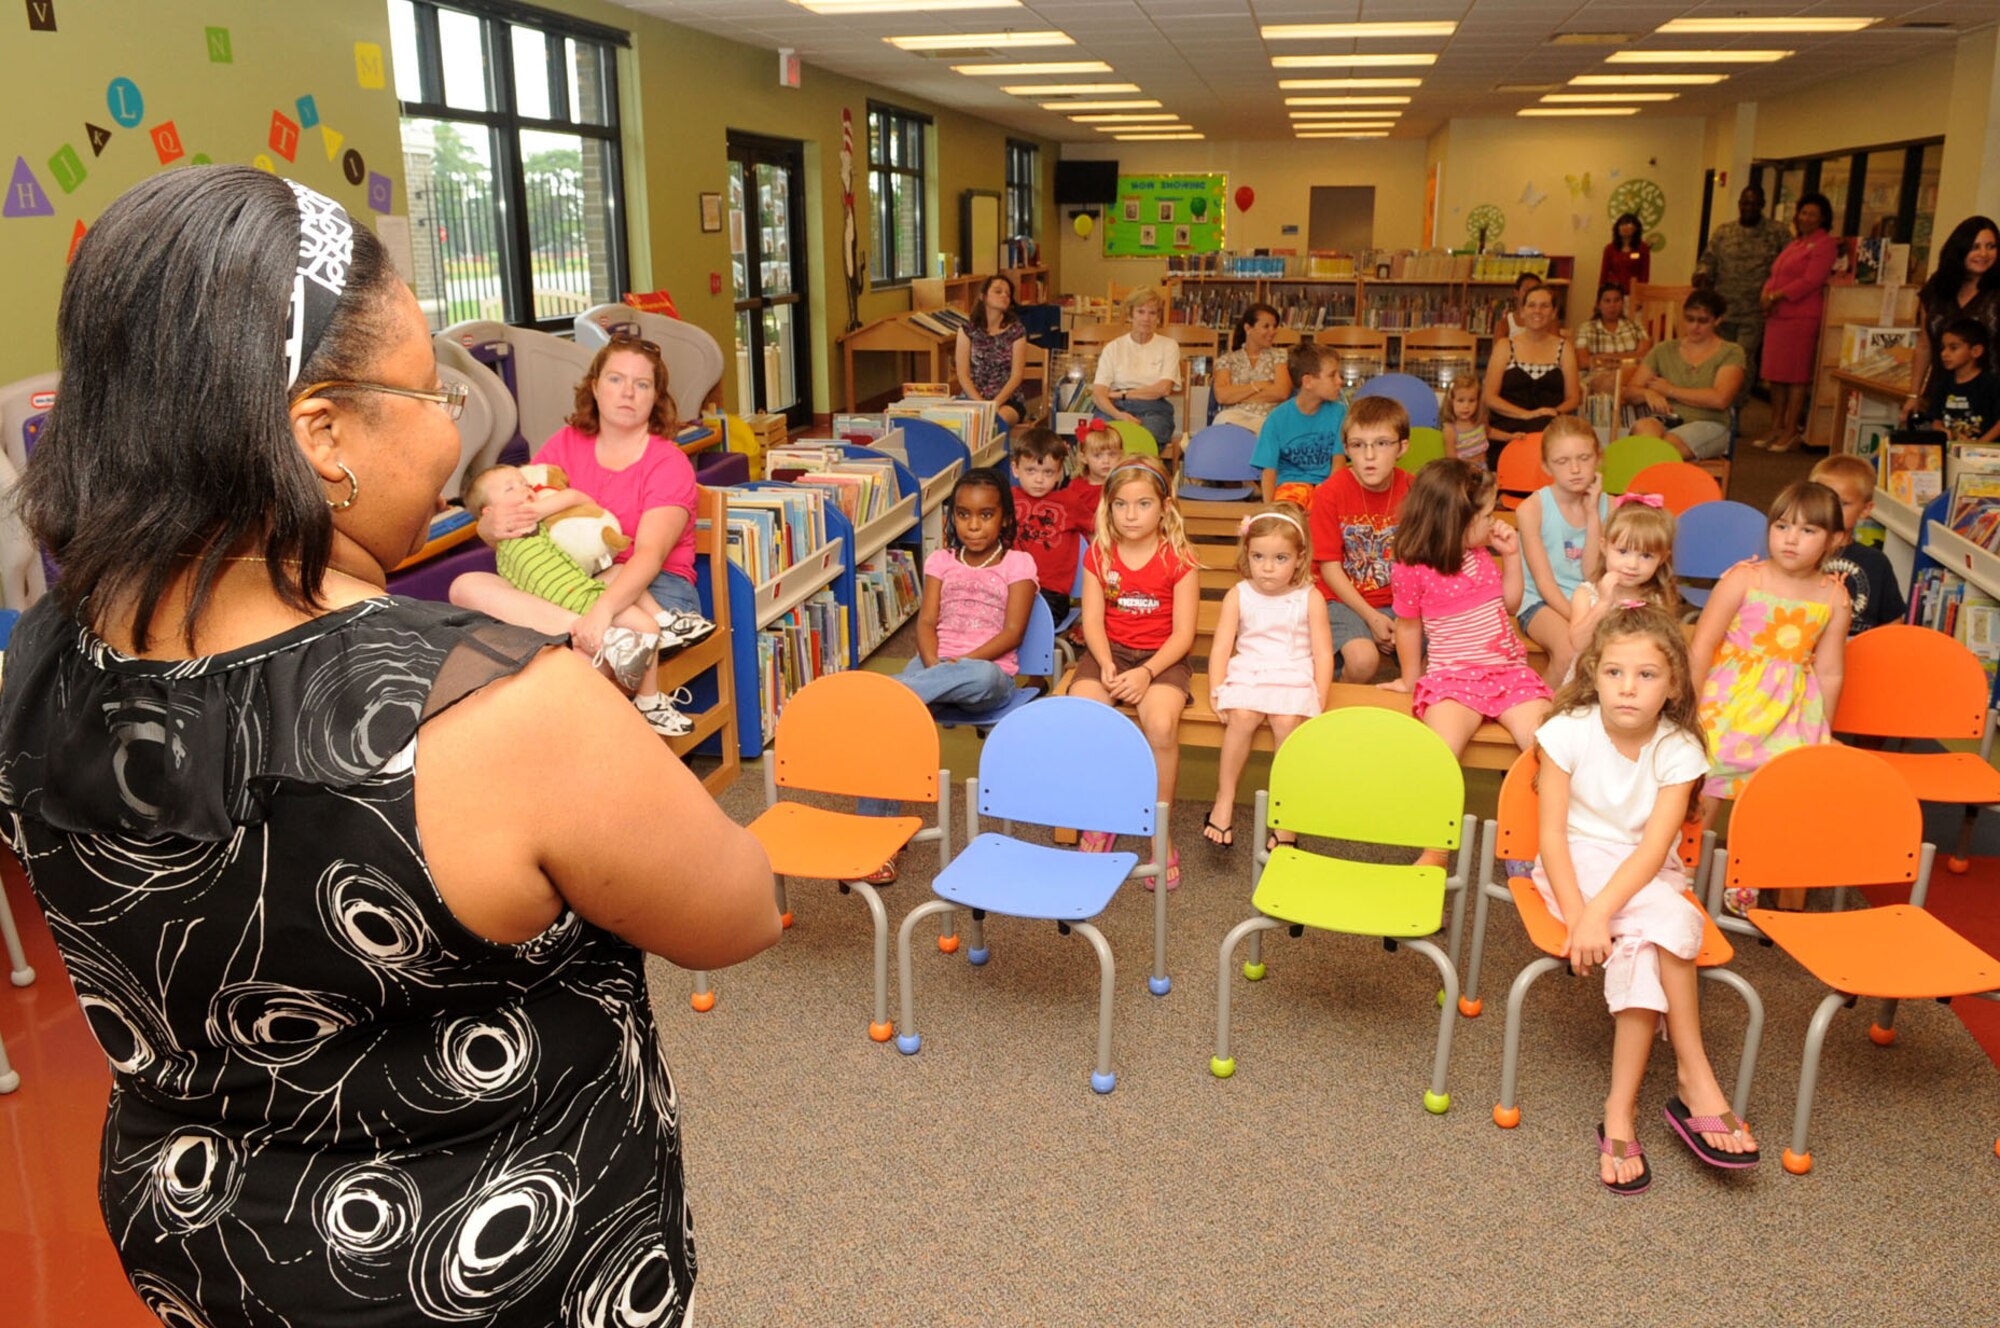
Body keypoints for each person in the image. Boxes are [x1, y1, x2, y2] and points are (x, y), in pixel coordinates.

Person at [0, 166, 780, 1327]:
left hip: (208, 1254)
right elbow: (740, 910)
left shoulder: (44, 657)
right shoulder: (497, 707)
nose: (453, 428)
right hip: (489, 1270)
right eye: (432, 394)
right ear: (321, 431)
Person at [1531, 605, 1760, 1195]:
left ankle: (1620, 1113)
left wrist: (1603, 916)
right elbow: (1552, 837)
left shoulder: (1679, 747)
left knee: (1645, 934)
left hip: (1642, 872)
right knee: (1670, 918)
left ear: (1674, 685)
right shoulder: (1566, 730)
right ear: (1592, 674)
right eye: (1613, 673)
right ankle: (1694, 1077)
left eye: (1647, 675)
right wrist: (1582, 914)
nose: (1627, 688)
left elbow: (1654, 848)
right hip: (1573, 868)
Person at [452, 335, 715, 733]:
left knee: (566, 666)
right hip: (571, 586)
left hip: (652, 593)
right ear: (594, 386)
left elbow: (647, 556)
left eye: (642, 384)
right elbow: (522, 520)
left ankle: (573, 652)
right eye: (615, 379)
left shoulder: (668, 462)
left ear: (656, 396)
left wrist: (602, 612)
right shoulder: (564, 445)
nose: (627, 392)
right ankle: (573, 634)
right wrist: (488, 526)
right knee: (465, 585)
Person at [1692, 481, 1851, 913]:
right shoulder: (1745, 577)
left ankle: (1754, 875)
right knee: (1705, 776)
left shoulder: (1834, 597)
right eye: (1782, 526)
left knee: (1784, 788)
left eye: (1807, 531)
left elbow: (1831, 670)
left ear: (1835, 540)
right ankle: (1681, 872)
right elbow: (1703, 644)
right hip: (1728, 701)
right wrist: (1688, 707)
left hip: (1792, 710)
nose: (1791, 539)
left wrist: (1823, 730)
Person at [1384, 460, 1553, 867]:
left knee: (1548, 746)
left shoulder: (1479, 554)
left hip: (1509, 674)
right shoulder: (1411, 568)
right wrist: (1410, 680)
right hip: (1451, 680)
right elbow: (1407, 628)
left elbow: (1509, 604)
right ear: (1454, 520)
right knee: (1441, 755)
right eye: (1486, 514)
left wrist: (1511, 556)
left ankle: (1539, 843)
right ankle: (1435, 848)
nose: (1493, 521)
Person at [1071, 456, 1199, 888]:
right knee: (1086, 718)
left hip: (1161, 659)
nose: (1131, 515)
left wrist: (1146, 672)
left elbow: (1183, 635)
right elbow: (1091, 620)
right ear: (1108, 507)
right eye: (1121, 504)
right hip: (1110, 652)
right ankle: (1103, 814)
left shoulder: (1178, 557)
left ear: (1164, 507)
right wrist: (1106, 663)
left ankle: (1159, 834)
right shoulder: (1101, 554)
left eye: (1143, 504)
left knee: (1161, 725)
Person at [1203, 506, 1333, 851]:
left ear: (1299, 557)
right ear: (1247, 554)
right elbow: (1221, 648)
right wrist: (1216, 689)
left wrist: (1318, 698)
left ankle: (1286, 811)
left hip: (1292, 671)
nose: (1268, 567)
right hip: (1250, 669)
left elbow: (1322, 653)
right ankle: (1224, 798)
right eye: (1258, 556)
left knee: (1287, 721)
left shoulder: (1310, 597)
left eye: (1280, 558)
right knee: (1242, 717)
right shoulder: (1239, 594)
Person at [1310, 395, 1413, 684]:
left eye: (1381, 443)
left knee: (1430, 655)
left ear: (1402, 447)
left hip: (1402, 600)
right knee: (1363, 660)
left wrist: (1404, 618)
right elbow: (1329, 569)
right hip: (1342, 600)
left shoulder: (1415, 491)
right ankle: (1337, 719)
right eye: (1358, 445)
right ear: (1346, 448)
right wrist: (1372, 617)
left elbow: (1421, 565)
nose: (1369, 456)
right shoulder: (1329, 493)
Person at [1516, 416, 1609, 686]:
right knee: (1570, 652)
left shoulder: (1609, 506)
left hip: (1592, 599)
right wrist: (1580, 620)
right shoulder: (1532, 509)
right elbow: (1544, 583)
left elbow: (1592, 573)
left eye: (1584, 458)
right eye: (1562, 461)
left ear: (1598, 458)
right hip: (1542, 603)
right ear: (1546, 466)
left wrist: (1593, 515)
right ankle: (1541, 715)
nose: (1576, 469)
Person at [1755, 192, 1838, 453]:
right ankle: (1776, 425)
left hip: (1801, 316)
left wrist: (1776, 295)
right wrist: (1765, 295)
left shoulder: (1825, 244)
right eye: (1803, 213)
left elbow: (1811, 280)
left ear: (1823, 218)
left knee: (1796, 376)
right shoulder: (1795, 243)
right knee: (1775, 375)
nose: (1806, 218)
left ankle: (1792, 429)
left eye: (1812, 214)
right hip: (1777, 316)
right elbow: (1775, 273)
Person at [1623, 289, 1747, 462]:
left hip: (1709, 422)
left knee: (1663, 450)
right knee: (1644, 430)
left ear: (1718, 320)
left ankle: (1647, 486)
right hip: (1666, 418)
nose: (1694, 326)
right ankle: (1650, 486)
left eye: (1703, 321)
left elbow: (1720, 399)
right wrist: (1647, 393)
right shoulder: (1664, 349)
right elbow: (1629, 392)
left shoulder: (1731, 352)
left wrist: (1670, 391)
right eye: (1689, 319)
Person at [1903, 215, 2000, 426]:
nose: (1984, 254)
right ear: (1960, 249)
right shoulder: (1937, 287)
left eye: (1991, 246)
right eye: (1975, 247)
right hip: (1941, 396)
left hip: (1989, 401)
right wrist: (1913, 395)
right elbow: (1924, 344)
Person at [1694, 184, 1790, 387]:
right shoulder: (1724, 232)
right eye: (1745, 203)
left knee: (1743, 360)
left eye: (1754, 204)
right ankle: (1718, 401)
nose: (1749, 207)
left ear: (1762, 205)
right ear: (1739, 204)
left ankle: (1736, 406)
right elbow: (1708, 260)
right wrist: (1701, 275)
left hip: (1754, 312)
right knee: (1720, 357)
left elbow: (1790, 264)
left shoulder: (1777, 232)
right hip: (1724, 309)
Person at [1567, 495, 1684, 658]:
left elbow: (1666, 650)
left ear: (1662, 558)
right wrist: (1603, 603)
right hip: (1592, 677)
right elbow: (1578, 643)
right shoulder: (1586, 594)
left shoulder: (1658, 598)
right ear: (1604, 547)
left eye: (1646, 556)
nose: (1632, 564)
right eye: (1623, 552)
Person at [1811, 454, 1908, 636]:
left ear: (1865, 510)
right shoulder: (1798, 552)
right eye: (1822, 499)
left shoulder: (1876, 562)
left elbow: (1892, 622)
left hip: (1859, 652)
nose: (1830, 509)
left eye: (1842, 503)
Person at [1484, 284, 1581, 458]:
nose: (1538, 311)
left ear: (1553, 312)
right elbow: (1489, 397)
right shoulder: (1505, 346)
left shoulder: (1564, 348)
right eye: (1532, 305)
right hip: (1507, 431)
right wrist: (1526, 415)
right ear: (1521, 311)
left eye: (1544, 306)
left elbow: (1573, 398)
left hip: (1549, 430)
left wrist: (1554, 412)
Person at [1010, 427, 1093, 621]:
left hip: (1050, 593)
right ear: (1015, 469)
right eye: (1030, 470)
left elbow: (1098, 528)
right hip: (1009, 584)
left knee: (1027, 623)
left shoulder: (1069, 501)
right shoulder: (1007, 499)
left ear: (1059, 473)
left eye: (1048, 472)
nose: (1039, 479)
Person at [1252, 342, 1348, 507]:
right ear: (1308, 381)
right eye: (1332, 375)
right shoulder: (1277, 418)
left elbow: (1338, 463)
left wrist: (1330, 497)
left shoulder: (1340, 412)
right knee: (1289, 515)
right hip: (1289, 487)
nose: (1340, 381)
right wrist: (1269, 509)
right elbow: (1268, 470)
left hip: (1325, 486)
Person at [1090, 286, 1181, 454]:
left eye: (1152, 313)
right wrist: (1119, 415)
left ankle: (1140, 476)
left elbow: (1163, 389)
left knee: (1147, 437)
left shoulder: (1169, 346)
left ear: (1158, 317)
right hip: (1114, 408)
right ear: (1131, 315)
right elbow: (1098, 393)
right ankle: (1111, 478)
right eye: (1140, 312)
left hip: (1154, 409)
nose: (1146, 318)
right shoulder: (1113, 347)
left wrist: (1119, 394)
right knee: (1103, 439)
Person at [956, 273, 1029, 427]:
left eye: (1008, 294)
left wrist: (994, 404)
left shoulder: (1017, 330)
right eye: (998, 291)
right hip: (973, 398)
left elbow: (1017, 376)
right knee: (957, 423)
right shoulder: (967, 330)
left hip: (1007, 400)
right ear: (983, 296)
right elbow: (963, 375)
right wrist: (981, 404)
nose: (1004, 296)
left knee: (995, 422)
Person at [1914, 317, 2000, 442]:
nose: (1944, 353)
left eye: (1953, 348)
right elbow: (1936, 420)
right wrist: (1940, 431)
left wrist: (1980, 444)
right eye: (1943, 348)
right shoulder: (1943, 385)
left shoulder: (1991, 384)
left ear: (1976, 351)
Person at [1212, 301, 1292, 434]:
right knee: (1224, 422)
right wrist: (1259, 385)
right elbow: (1221, 396)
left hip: (1267, 418)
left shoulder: (1280, 356)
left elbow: (1281, 393)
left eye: (1274, 326)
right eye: (1266, 326)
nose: (1272, 332)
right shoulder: (1227, 359)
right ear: (1248, 328)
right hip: (1233, 417)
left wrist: (1236, 395)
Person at [1575, 282, 1653, 397]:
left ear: (1622, 303)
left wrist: (1602, 357)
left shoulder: (1636, 326)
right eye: (1607, 301)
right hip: (1597, 377)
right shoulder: (1586, 328)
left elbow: (1644, 356)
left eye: (1617, 300)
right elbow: (1583, 362)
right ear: (1598, 305)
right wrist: (1628, 357)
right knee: (1611, 383)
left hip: (1632, 375)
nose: (1612, 305)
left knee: (1650, 379)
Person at [1441, 377, 1489, 468]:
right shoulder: (1450, 430)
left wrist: (1509, 436)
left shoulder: (1480, 422)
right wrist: (1470, 463)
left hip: (1483, 469)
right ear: (1451, 402)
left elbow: (1490, 432)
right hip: (1462, 472)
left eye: (1471, 401)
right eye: (1460, 400)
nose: (1466, 406)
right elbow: (1451, 459)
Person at [1600, 212, 1652, 294]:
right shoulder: (1609, 249)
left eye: (1629, 224)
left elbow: (1644, 276)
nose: (1625, 227)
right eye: (1622, 224)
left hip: (1633, 293)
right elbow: (1603, 275)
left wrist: (1641, 296)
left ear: (1636, 228)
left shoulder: (1643, 248)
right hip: (1613, 294)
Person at [1502, 271, 1543, 338]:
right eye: (1526, 290)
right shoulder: (1504, 324)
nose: (1531, 294)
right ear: (1516, 293)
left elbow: (1556, 346)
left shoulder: (1549, 321)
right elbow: (1498, 347)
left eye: (1535, 290)